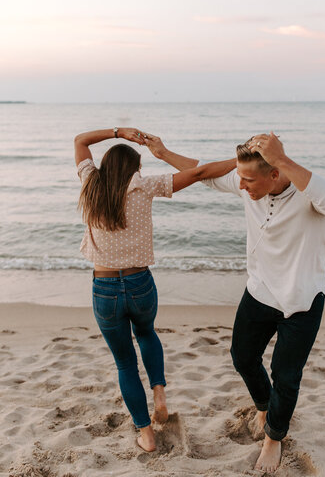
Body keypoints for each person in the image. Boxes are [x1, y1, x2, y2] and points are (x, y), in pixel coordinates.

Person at [144, 130, 325, 472]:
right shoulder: (248, 183)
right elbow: (203, 172)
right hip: (260, 292)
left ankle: (273, 438)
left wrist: (281, 156)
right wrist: (163, 154)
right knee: (242, 356)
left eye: (249, 179)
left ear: (275, 174)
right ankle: (265, 406)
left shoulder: (312, 194)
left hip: (302, 300)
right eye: (240, 177)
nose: (241, 186)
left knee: (286, 375)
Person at [74, 127, 235, 453]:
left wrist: (119, 131)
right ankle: (159, 391)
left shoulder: (90, 183)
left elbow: (80, 141)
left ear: (106, 165)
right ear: (135, 170)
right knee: (147, 334)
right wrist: (241, 159)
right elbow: (201, 172)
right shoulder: (144, 186)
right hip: (140, 283)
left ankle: (146, 434)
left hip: (104, 288)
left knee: (124, 364)